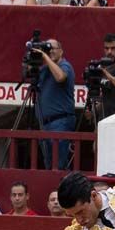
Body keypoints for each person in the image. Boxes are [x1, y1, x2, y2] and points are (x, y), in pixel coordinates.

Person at [32, 38, 76, 169]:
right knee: (49, 164)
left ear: (61, 51)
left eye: (53, 48)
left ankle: (61, 188)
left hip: (60, 121)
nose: (50, 51)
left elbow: (60, 77)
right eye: (47, 48)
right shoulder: (45, 69)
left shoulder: (65, 65)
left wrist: (45, 57)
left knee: (59, 164)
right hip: (45, 123)